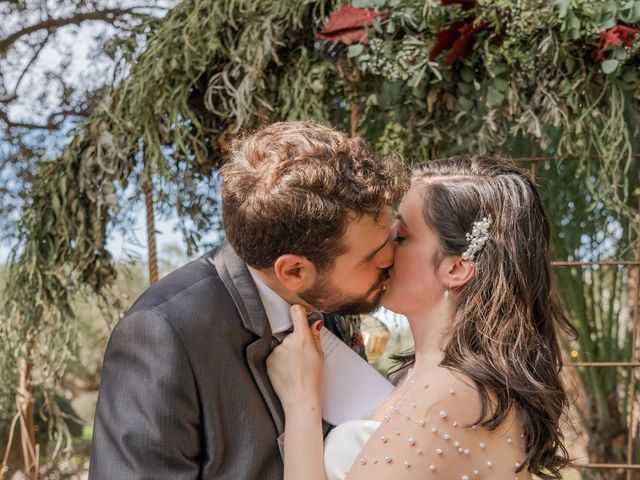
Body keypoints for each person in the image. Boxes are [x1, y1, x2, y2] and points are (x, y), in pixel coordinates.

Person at [89, 122, 407, 479]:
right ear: (294, 271)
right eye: (373, 257)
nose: (391, 260)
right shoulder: (161, 333)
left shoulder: (329, 301)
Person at [267, 155, 577, 480]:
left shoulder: (448, 394)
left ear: (455, 268)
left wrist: (302, 403)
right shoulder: (442, 383)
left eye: (401, 237)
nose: (384, 250)